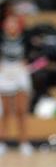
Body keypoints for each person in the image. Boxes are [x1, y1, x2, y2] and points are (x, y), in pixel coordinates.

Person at [0, 13, 32, 156]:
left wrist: (28, 62)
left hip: (20, 72)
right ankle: (2, 142)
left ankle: (24, 142)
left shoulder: (26, 38)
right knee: (4, 111)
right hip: (5, 73)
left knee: (21, 110)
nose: (11, 26)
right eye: (9, 23)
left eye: (14, 23)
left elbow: (34, 54)